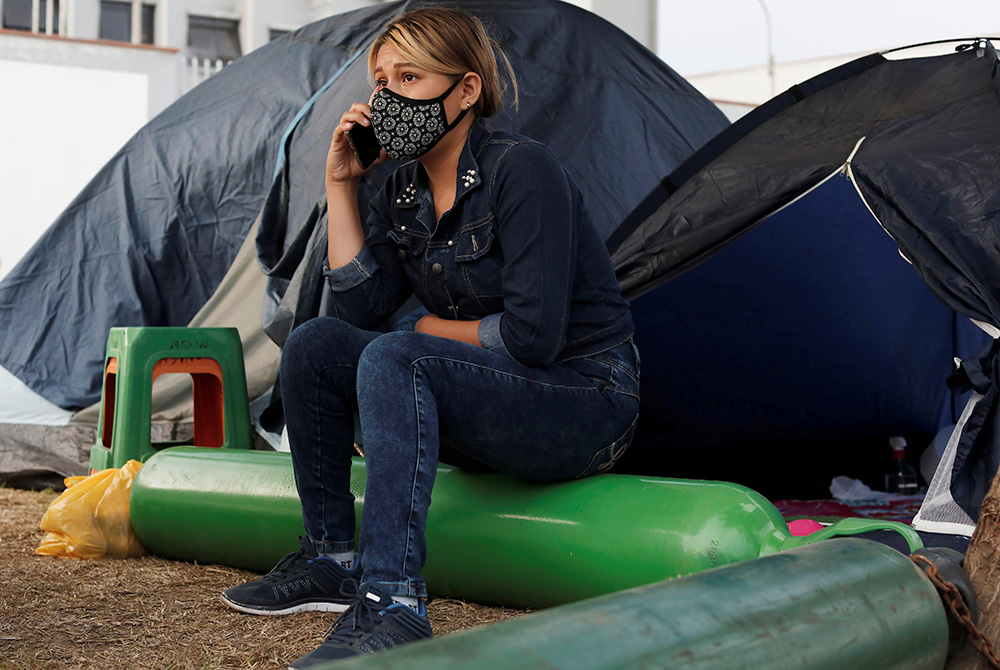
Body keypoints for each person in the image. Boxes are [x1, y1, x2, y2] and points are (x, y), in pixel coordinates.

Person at [221, 7, 640, 668]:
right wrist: (342, 185)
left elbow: (532, 339)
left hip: (583, 400)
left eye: (409, 78)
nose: (388, 98)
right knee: (315, 345)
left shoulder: (521, 171)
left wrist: (424, 327)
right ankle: (330, 558)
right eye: (381, 82)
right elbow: (360, 309)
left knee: (399, 352)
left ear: (466, 90)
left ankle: (393, 600)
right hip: (493, 395)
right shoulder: (402, 188)